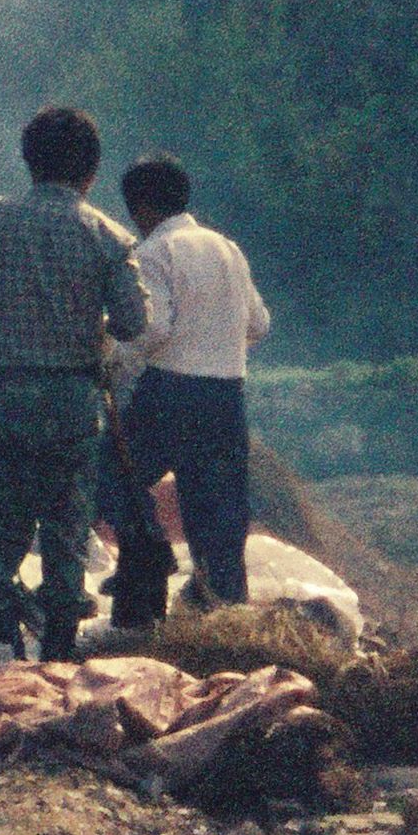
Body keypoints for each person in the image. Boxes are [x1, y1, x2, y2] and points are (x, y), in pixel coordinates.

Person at [0, 104, 149, 659]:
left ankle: (2, 636)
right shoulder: (107, 235)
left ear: (28, 161)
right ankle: (59, 646)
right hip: (69, 402)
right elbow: (135, 322)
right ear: (91, 170)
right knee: (65, 524)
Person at [115, 153, 272, 610]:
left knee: (114, 480)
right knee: (219, 516)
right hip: (226, 395)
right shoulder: (227, 248)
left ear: (141, 208)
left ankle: (147, 567)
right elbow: (258, 324)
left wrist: (116, 365)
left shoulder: (152, 253)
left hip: (168, 393)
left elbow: (153, 328)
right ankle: (224, 613)